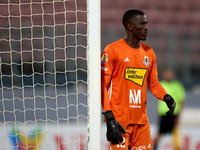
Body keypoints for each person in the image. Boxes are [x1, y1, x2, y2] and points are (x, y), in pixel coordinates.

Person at [101, 9, 176, 150]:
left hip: (141, 123)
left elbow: (153, 84)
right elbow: (102, 85)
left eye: (146, 23)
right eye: (142, 24)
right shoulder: (112, 51)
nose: (146, 28)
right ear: (130, 26)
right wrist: (109, 117)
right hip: (120, 122)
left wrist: (166, 97)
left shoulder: (149, 53)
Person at [153, 68, 186, 150]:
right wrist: (158, 113)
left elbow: (181, 100)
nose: (169, 76)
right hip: (163, 113)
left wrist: (179, 114)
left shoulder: (177, 85)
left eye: (170, 74)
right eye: (167, 74)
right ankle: (154, 146)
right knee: (160, 132)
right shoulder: (161, 85)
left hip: (174, 113)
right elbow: (158, 101)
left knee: (175, 133)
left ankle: (177, 147)